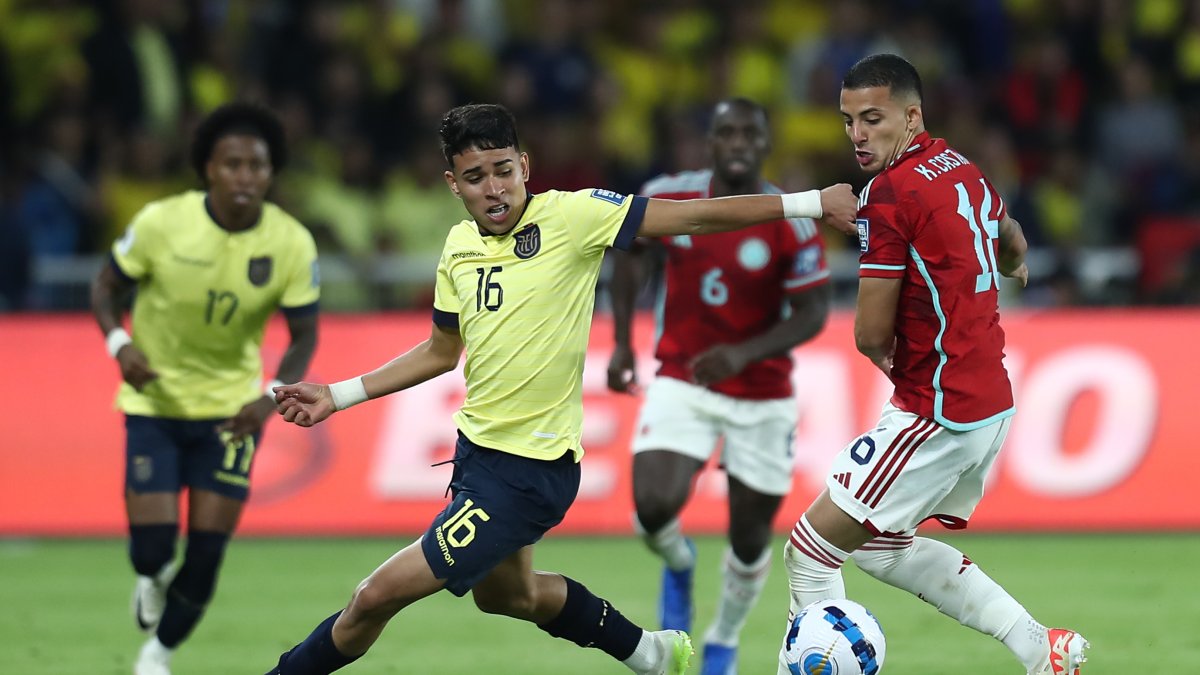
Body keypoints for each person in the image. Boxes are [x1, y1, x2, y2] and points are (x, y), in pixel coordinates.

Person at [265, 103, 858, 675]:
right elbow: (442, 352)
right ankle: (653, 654)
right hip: (477, 457)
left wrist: (807, 204)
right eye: (475, 177)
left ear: (525, 165)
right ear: (453, 183)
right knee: (512, 597)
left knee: (373, 597)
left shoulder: (575, 216)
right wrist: (337, 395)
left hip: (531, 472)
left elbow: (692, 217)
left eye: (503, 171)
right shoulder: (457, 248)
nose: (494, 189)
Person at [775, 54, 1088, 675]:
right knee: (882, 550)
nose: (858, 135)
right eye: (848, 121)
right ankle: (1040, 649)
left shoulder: (888, 195)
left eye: (873, 119)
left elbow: (868, 331)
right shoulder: (962, 168)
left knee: (810, 552)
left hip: (937, 408)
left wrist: (885, 353)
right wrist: (1011, 262)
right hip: (988, 400)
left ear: (911, 116)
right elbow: (1011, 230)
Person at [90, 102, 320, 675]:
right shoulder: (162, 222)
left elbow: (304, 334)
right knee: (152, 547)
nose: (246, 176)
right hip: (155, 402)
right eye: (233, 164)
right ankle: (152, 577)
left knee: (209, 550)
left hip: (231, 413)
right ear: (208, 169)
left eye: (257, 166)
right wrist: (121, 346)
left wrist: (271, 397)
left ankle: (157, 654)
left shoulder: (290, 242)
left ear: (271, 173)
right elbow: (104, 286)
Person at [606, 98, 831, 675]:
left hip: (761, 393)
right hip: (684, 376)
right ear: (709, 142)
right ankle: (679, 562)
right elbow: (627, 253)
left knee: (751, 539)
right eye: (725, 132)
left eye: (748, 134)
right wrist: (626, 342)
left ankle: (723, 641)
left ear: (764, 145)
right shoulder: (670, 194)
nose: (737, 143)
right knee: (653, 506)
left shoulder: (791, 216)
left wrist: (743, 353)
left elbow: (812, 313)